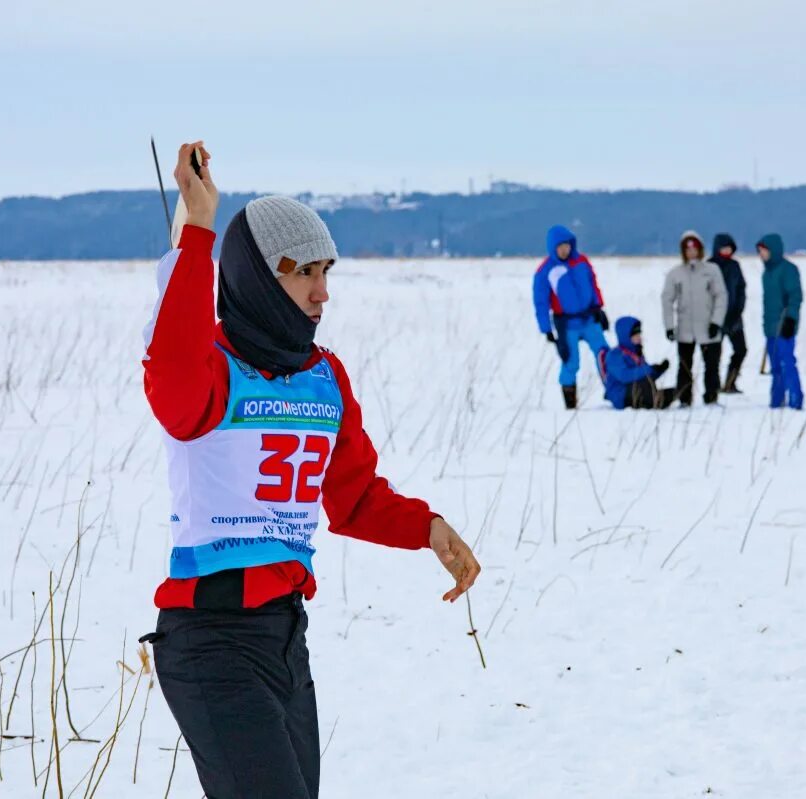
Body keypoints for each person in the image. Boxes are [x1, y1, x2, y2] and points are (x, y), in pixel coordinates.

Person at [141, 142, 481, 799]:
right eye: (304, 273)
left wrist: (429, 527)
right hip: (211, 642)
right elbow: (173, 380)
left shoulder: (325, 378)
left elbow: (352, 497)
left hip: (284, 639)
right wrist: (198, 229)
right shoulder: (207, 367)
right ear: (263, 277)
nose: (323, 293)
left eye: (328, 272)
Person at [532, 224, 610, 409]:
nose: (564, 250)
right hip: (566, 324)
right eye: (560, 246)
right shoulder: (545, 271)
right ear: (553, 248)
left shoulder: (582, 261)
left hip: (589, 318)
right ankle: (570, 403)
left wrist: (599, 307)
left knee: (604, 355)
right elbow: (540, 303)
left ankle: (616, 390)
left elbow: (593, 284)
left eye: (567, 245)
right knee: (571, 361)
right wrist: (546, 329)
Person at [661, 231, 727, 406]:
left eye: (695, 248)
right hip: (685, 329)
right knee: (684, 367)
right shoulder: (676, 273)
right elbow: (667, 299)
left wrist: (716, 322)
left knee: (712, 366)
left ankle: (711, 397)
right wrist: (669, 326)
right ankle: (684, 399)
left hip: (708, 326)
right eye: (688, 249)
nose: (691, 252)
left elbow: (721, 296)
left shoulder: (711, 271)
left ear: (700, 250)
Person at [757, 233, 804, 409]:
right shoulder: (766, 273)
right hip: (770, 327)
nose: (761, 254)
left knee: (787, 363)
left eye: (764, 251)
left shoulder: (788, 269)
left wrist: (790, 319)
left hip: (785, 326)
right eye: (759, 251)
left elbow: (795, 296)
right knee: (775, 366)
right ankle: (776, 401)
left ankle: (795, 399)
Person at [603, 316, 675, 409]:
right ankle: (656, 399)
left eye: (639, 334)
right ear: (626, 336)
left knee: (671, 391)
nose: (639, 337)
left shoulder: (636, 352)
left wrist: (659, 369)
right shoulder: (614, 355)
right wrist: (650, 369)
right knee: (644, 384)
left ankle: (661, 397)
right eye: (635, 335)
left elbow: (645, 375)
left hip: (636, 389)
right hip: (621, 395)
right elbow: (624, 376)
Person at [709, 233, 747, 393]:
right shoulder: (709, 266)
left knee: (741, 350)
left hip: (734, 317)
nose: (727, 251)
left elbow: (741, 289)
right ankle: (714, 386)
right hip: (715, 318)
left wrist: (738, 310)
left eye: (729, 248)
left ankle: (730, 382)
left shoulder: (735, 266)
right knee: (714, 354)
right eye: (724, 248)